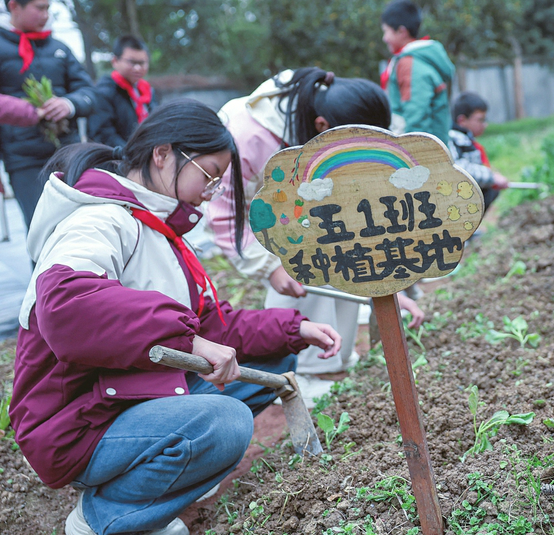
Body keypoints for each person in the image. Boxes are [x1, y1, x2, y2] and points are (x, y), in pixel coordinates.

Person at [9, 99, 341, 535]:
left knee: (273, 361)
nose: (211, 189)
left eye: (219, 181)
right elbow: (67, 303)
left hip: (123, 394)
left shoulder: (157, 227)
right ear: (162, 154)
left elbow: (211, 325)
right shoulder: (97, 221)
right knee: (225, 423)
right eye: (208, 174)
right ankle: (103, 517)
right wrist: (186, 340)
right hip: (76, 420)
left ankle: (172, 473)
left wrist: (293, 329)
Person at [207, 67, 423, 389]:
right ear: (322, 128)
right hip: (256, 212)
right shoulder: (251, 137)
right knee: (300, 263)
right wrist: (269, 267)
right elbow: (225, 216)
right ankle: (305, 371)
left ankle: (338, 357)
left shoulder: (321, 109)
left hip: (297, 207)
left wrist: (385, 286)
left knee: (340, 248)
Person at [0, 0, 96, 230]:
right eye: (40, 8)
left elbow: (89, 93)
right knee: (42, 233)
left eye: (48, 8)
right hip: (24, 160)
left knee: (80, 229)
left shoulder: (59, 48)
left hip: (68, 154)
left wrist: (69, 104)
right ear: (14, 5)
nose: (46, 15)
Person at [380, 0, 455, 145]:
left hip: (424, 153)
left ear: (401, 31)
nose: (384, 38)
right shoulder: (414, 60)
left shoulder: (410, 64)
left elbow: (416, 114)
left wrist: (411, 152)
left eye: (386, 31)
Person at [88, 34, 156, 147]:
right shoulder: (104, 92)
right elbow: (104, 135)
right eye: (132, 62)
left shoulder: (147, 91)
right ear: (115, 61)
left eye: (142, 63)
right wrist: (131, 155)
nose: (138, 68)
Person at [448, 91, 509, 212]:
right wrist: (491, 177)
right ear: (462, 120)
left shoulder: (466, 139)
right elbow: (458, 168)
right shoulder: (454, 140)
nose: (484, 125)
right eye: (480, 120)